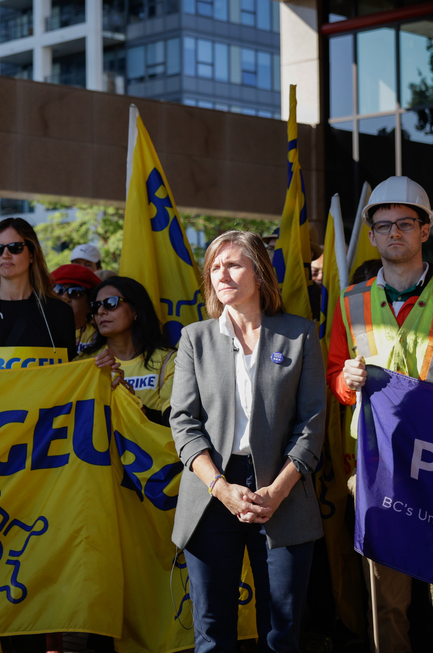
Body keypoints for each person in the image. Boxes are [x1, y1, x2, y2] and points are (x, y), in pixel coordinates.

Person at [171, 230, 325, 652]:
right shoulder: (194, 338)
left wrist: (276, 491)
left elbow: (312, 424)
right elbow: (183, 423)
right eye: (215, 266)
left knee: (280, 634)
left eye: (234, 264)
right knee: (213, 633)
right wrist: (221, 488)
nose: (222, 273)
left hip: (283, 489)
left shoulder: (301, 334)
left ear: (259, 272)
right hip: (212, 491)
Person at [326, 175, 433, 652]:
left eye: (405, 224)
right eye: (384, 225)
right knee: (387, 601)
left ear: (425, 231)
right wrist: (344, 383)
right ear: (370, 236)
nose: (394, 233)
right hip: (379, 469)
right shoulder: (350, 301)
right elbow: (333, 374)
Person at [0, 218, 78, 371]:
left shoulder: (60, 312)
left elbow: (70, 375)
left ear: (32, 254)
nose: (5, 255)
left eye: (15, 247)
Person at [85, 277, 175, 426]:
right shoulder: (85, 362)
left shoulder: (169, 360)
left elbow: (176, 423)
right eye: (96, 306)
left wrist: (134, 404)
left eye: (111, 303)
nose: (101, 311)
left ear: (136, 310)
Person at [50, 263, 100, 356]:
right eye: (58, 290)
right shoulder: (36, 333)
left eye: (75, 291)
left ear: (90, 303)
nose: (64, 297)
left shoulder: (101, 338)